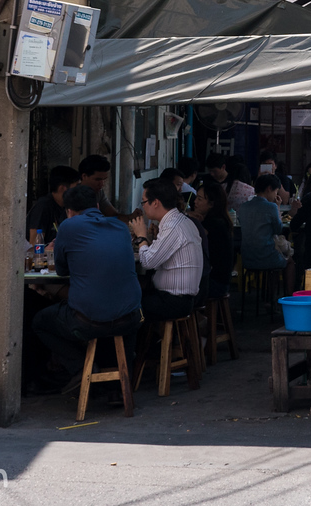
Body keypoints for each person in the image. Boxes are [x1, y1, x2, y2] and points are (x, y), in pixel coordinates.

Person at [31, 184, 142, 392]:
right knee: (115, 317)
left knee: (40, 321)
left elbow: (62, 270)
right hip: (131, 318)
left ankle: (81, 369)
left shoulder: (68, 226)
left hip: (88, 321)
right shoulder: (119, 227)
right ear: (98, 206)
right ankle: (117, 388)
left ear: (69, 211)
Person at [130, 177, 203, 324]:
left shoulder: (173, 226)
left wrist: (141, 236)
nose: (142, 207)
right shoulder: (179, 220)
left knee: (128, 307)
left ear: (155, 202)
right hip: (175, 298)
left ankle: (136, 347)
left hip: (174, 301)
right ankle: (150, 344)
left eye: (144, 202)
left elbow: (148, 262)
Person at [191, 178, 234, 300]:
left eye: (200, 199)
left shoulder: (214, 223)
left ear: (211, 204)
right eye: (196, 198)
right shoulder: (217, 220)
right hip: (219, 281)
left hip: (215, 284)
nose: (195, 202)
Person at [237, 173, 288, 273]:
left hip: (247, 257)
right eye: (276, 191)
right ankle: (283, 289)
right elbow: (278, 230)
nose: (275, 195)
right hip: (266, 256)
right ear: (269, 189)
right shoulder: (271, 207)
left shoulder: (244, 206)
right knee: (289, 261)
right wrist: (277, 207)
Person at [27, 165, 81, 244]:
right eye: (76, 186)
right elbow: (34, 246)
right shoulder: (43, 206)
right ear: (62, 188)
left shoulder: (65, 207)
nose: (78, 191)